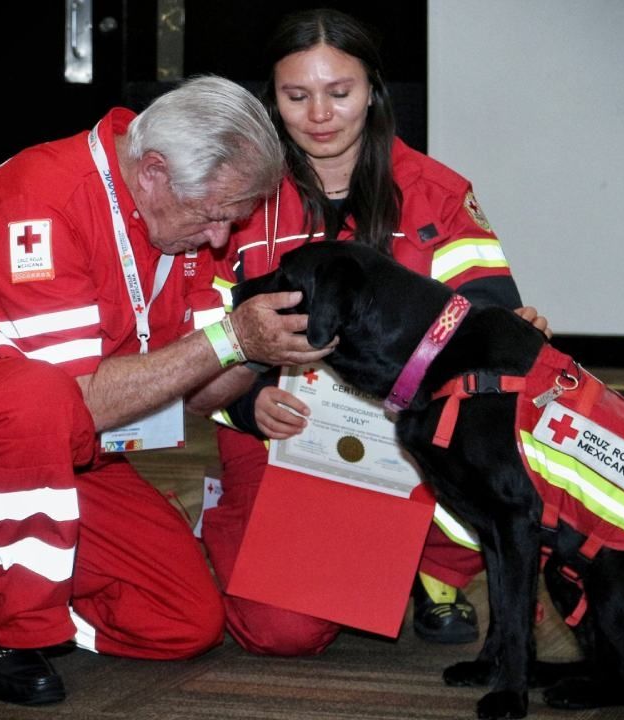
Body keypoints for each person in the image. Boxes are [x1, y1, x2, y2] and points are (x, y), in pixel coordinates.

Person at [0, 76, 334, 706]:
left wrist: (268, 346)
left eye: (234, 219)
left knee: (183, 622)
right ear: (154, 171)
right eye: (216, 216)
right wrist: (228, 339)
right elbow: (71, 400)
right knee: (32, 397)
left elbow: (198, 393)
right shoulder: (41, 201)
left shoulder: (180, 223)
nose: (222, 239)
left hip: (60, 449)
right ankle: (9, 633)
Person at [194, 9, 550, 656]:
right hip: (284, 436)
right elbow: (194, 347)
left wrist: (514, 331)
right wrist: (249, 404)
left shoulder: (436, 192)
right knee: (283, 631)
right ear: (270, 100)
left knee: (499, 456)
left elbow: (487, 313)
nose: (320, 115)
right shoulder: (234, 198)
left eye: (341, 92)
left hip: (407, 435)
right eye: (296, 96)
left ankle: (435, 569)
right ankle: (222, 521)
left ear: (374, 92)